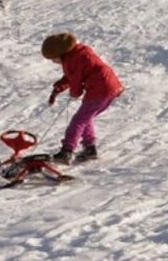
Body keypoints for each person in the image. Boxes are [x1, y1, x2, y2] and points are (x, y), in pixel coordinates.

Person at [42, 32, 123, 165]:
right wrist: (59, 88)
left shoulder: (73, 60)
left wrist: (75, 93)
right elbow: (71, 76)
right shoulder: (77, 54)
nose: (53, 62)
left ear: (60, 53)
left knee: (78, 120)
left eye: (53, 58)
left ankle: (67, 151)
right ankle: (89, 148)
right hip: (110, 87)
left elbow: (75, 79)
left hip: (100, 88)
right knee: (85, 117)